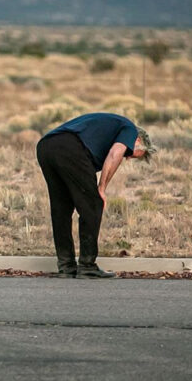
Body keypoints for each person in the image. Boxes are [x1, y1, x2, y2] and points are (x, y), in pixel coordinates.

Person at [36, 113, 156, 279]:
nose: (127, 158)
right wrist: (101, 189)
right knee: (93, 204)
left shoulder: (109, 128)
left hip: (46, 146)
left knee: (61, 209)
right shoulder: (129, 129)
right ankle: (87, 266)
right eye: (131, 154)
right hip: (69, 147)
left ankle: (66, 266)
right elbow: (115, 154)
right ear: (138, 141)